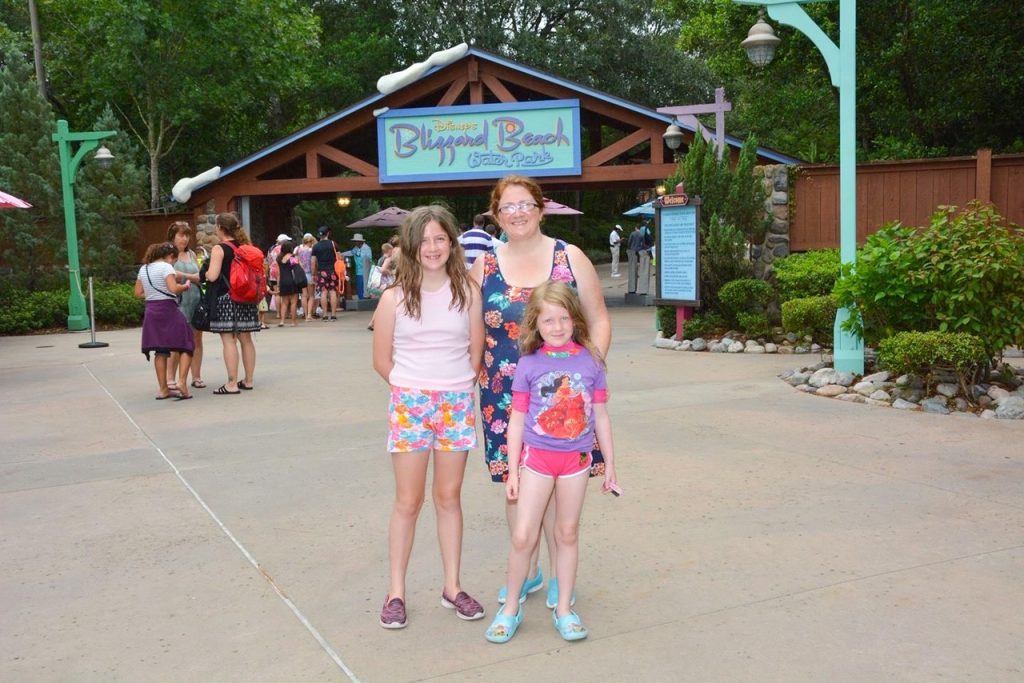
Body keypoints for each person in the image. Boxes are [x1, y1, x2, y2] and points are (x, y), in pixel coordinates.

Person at [470, 174, 611, 610]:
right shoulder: (485, 265)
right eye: (507, 207)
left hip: (566, 399)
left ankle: (556, 578)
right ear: (496, 214)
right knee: (517, 484)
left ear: (540, 207)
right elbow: (473, 329)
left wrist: (588, 371)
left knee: (560, 485)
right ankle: (527, 571)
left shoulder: (570, 257)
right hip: (505, 399)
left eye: (525, 204)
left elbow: (599, 319)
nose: (517, 213)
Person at [484, 282, 618, 643]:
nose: (557, 327)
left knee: (567, 532)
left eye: (563, 319)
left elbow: (601, 417)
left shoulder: (591, 362)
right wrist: (513, 470)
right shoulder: (528, 363)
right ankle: (510, 607)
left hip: (576, 460)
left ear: (574, 319)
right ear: (535, 324)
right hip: (536, 460)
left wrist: (611, 466)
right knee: (524, 535)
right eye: (548, 321)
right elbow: (516, 419)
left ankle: (564, 610)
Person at [372, 205, 485, 629]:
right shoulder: (394, 298)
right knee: (408, 500)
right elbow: (381, 360)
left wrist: (453, 385)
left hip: (456, 401)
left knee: (449, 497)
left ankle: (452, 586)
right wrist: (413, 388)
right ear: (410, 246)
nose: (433, 247)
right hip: (411, 403)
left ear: (452, 243)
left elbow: (477, 353)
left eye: (441, 238)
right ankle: (396, 591)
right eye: (425, 240)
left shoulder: (467, 293)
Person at [201, 212, 259, 394]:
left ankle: (231, 383)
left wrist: (205, 270)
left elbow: (212, 275)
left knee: (228, 340)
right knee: (246, 340)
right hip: (247, 297)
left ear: (220, 228)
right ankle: (248, 380)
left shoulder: (220, 249)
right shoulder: (245, 246)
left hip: (227, 298)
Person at [135, 242, 195, 400]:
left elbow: (138, 293)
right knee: (187, 343)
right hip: (168, 309)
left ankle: (163, 389)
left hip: (151, 311)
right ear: (170, 256)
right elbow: (173, 288)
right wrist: (185, 286)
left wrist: (152, 294)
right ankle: (182, 382)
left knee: (160, 350)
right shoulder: (166, 267)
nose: (173, 262)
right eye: (174, 259)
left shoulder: (144, 269)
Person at [167, 221, 205, 390]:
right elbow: (169, 274)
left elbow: (200, 275)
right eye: (181, 235)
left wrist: (190, 276)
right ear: (172, 236)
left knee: (197, 339)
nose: (184, 239)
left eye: (187, 235)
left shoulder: (191, 254)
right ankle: (170, 378)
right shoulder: (168, 254)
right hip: (177, 302)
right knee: (176, 341)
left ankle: (196, 376)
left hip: (195, 300)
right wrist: (191, 276)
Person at [310, 226, 340, 321]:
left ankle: (325, 315)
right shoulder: (333, 244)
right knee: (333, 291)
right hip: (333, 271)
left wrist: (314, 273)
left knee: (323, 292)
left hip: (321, 271)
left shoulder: (316, 246)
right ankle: (334, 315)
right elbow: (339, 258)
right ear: (328, 233)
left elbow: (313, 262)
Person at [275, 240, 302, 326]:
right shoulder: (292, 258)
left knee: (284, 302)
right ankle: (293, 321)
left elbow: (278, 273)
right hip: (292, 281)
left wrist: (278, 284)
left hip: (283, 281)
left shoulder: (279, 258)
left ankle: (282, 321)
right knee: (293, 302)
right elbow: (298, 268)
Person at [344, 233, 373, 299]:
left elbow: (369, 260)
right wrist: (340, 254)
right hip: (358, 271)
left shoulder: (367, 248)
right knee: (359, 287)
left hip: (365, 272)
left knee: (365, 287)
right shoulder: (356, 248)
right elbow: (351, 252)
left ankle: (365, 301)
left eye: (356, 241)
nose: (355, 242)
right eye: (355, 241)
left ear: (361, 241)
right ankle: (361, 300)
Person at [267, 234, 288, 322]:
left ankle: (278, 313)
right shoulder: (284, 249)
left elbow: (269, 260)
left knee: (276, 293)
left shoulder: (272, 249)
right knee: (283, 293)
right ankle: (284, 312)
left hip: (273, 270)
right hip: (281, 270)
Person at [297, 233, 315, 321]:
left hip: (301, 274)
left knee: (304, 296)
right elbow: (312, 263)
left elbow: (297, 261)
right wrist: (314, 274)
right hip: (309, 273)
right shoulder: (311, 250)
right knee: (311, 296)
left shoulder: (299, 250)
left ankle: (304, 313)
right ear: (310, 241)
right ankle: (309, 315)